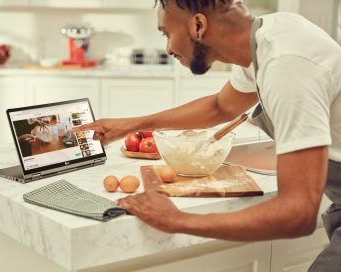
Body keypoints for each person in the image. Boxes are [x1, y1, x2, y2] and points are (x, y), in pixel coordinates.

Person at [72, 0, 341, 270]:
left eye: (166, 33)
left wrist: (177, 221)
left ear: (198, 25)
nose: (168, 48)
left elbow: (297, 212)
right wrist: (131, 125)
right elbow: (220, 107)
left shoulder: (287, 67)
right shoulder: (270, 37)